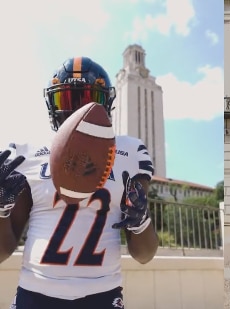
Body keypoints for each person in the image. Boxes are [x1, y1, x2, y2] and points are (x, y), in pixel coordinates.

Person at [0, 56, 159, 309]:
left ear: (105, 104)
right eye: (67, 100)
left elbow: (144, 254)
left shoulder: (130, 151)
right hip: (35, 293)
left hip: (103, 295)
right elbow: (2, 252)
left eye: (87, 100)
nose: (77, 110)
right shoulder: (26, 152)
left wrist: (140, 222)